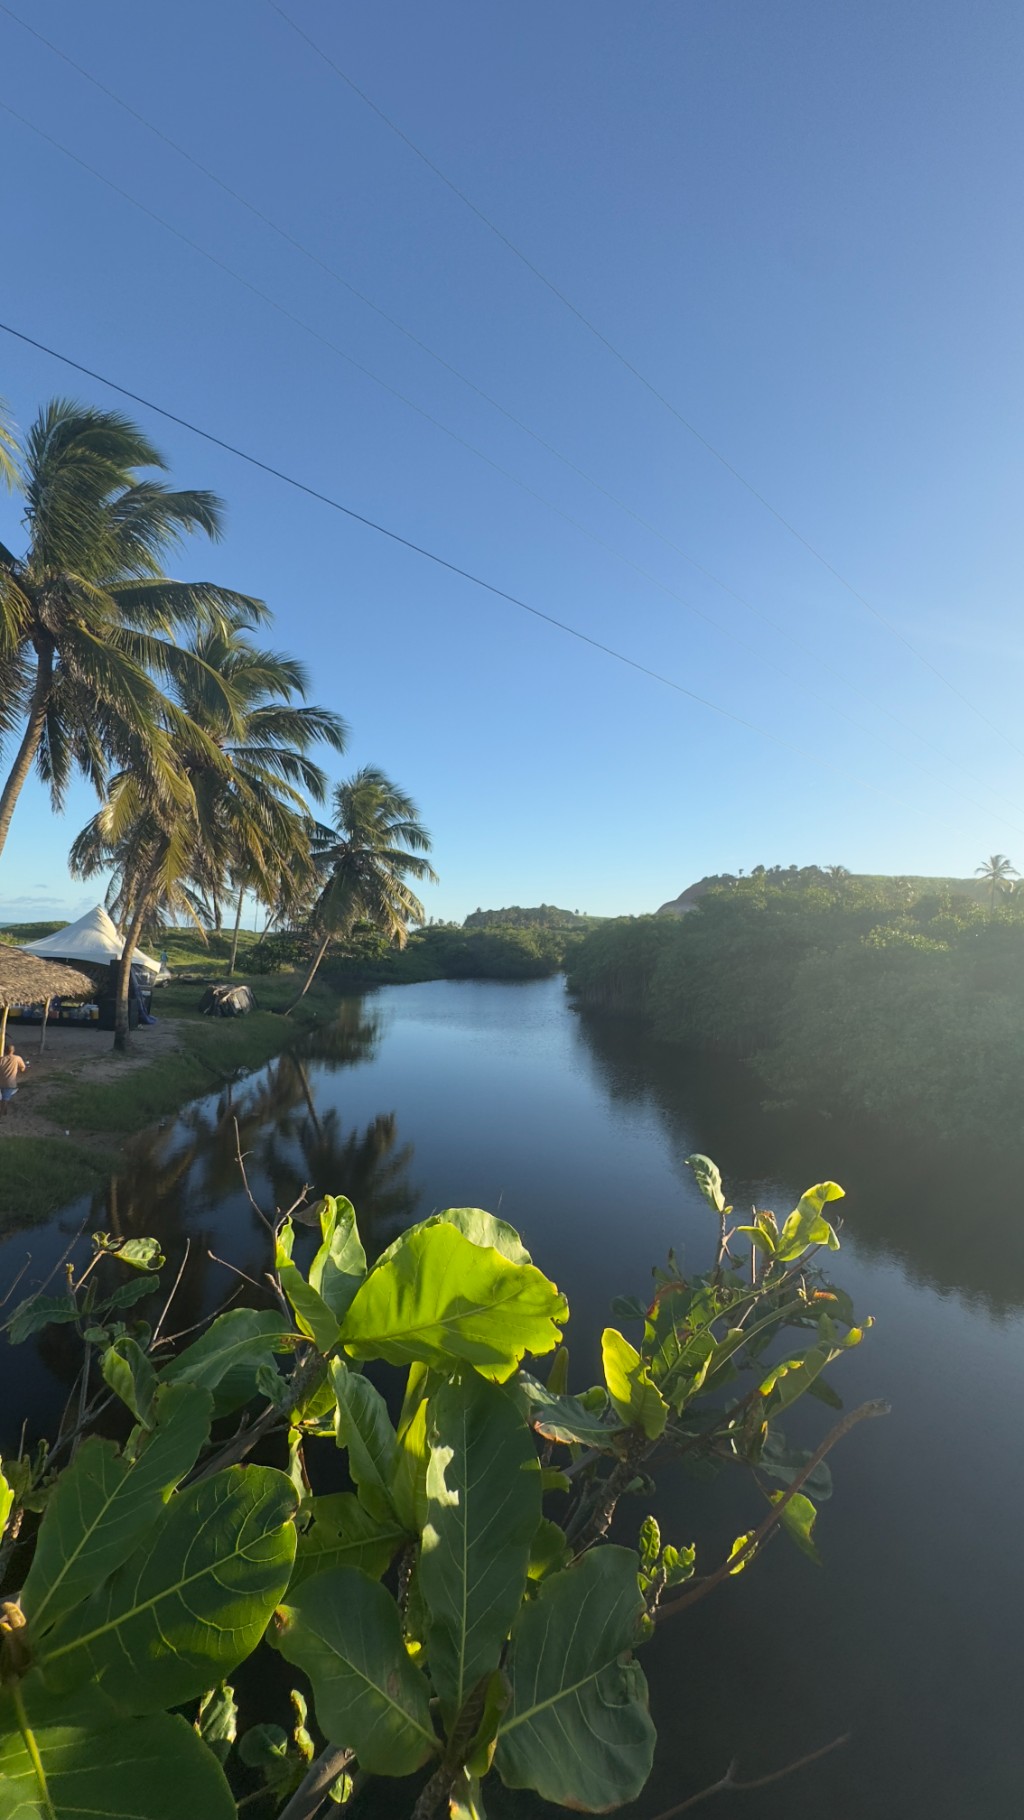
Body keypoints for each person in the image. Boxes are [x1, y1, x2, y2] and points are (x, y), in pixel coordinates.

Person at [0, 1042, 27, 1117]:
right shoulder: (17, 1058)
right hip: (10, 1082)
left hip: (0, 1081)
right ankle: (2, 1113)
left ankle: (4, 1111)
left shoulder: (1, 1059)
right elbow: (23, 1068)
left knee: (2, 1097)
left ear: (5, 1051)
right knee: (5, 1098)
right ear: (13, 1051)